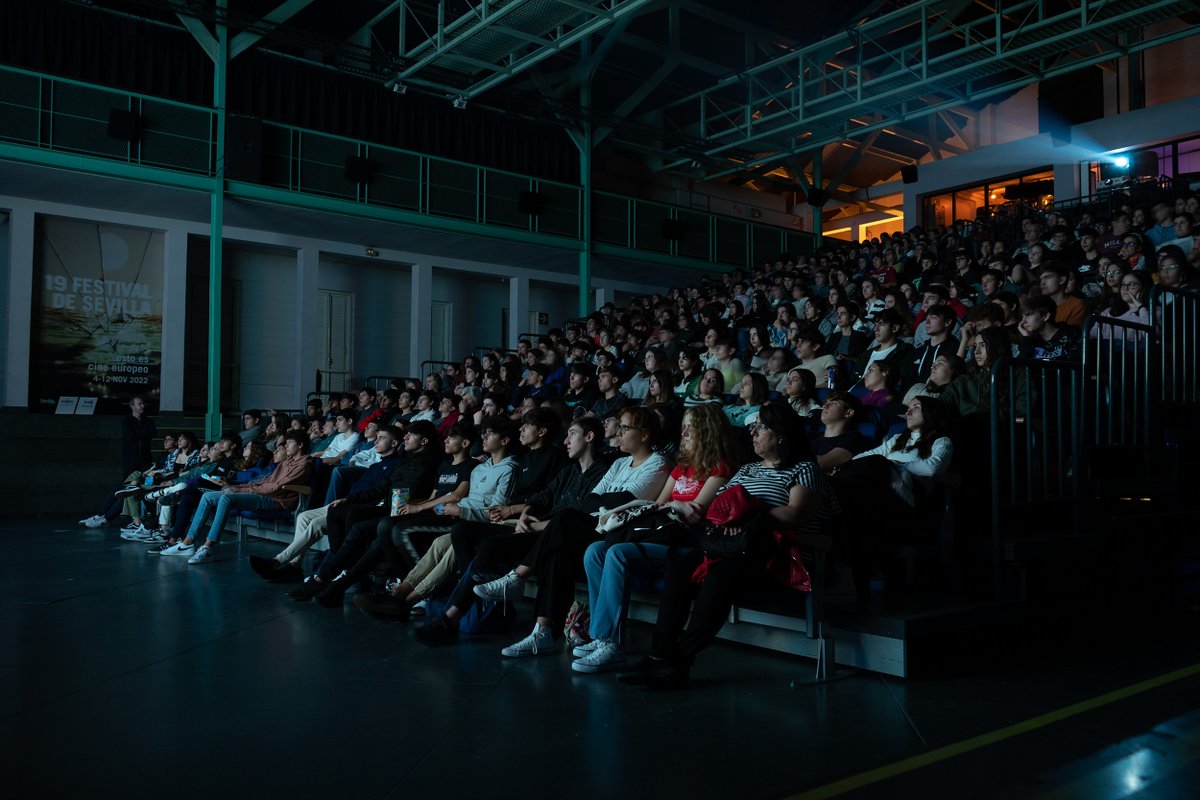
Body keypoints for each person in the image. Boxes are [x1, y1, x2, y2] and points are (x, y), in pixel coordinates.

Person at [621, 402, 839, 689]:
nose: (753, 431)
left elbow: (793, 513)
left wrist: (748, 515)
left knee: (721, 574)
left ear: (782, 434)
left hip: (781, 556)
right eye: (753, 426)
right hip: (736, 546)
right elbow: (718, 508)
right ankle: (657, 654)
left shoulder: (805, 469)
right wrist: (736, 516)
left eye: (761, 426)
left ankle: (679, 661)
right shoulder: (748, 469)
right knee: (679, 564)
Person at [468, 407, 671, 656]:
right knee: (558, 553)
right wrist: (605, 503)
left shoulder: (658, 464)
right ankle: (542, 632)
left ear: (645, 434)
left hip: (619, 535)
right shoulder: (619, 463)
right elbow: (590, 501)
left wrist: (603, 503)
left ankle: (517, 577)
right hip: (596, 528)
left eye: (625, 428)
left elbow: (626, 501)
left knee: (564, 519)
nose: (618, 432)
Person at [572, 405, 739, 673]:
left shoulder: (720, 468)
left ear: (707, 432)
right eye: (683, 425)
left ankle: (610, 643)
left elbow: (695, 513)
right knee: (595, 551)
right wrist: (675, 507)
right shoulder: (681, 469)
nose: (683, 432)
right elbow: (655, 507)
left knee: (617, 553)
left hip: (688, 545)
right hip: (663, 535)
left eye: (691, 427)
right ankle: (600, 636)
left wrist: (675, 507)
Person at [160, 430, 313, 564]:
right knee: (208, 496)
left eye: (290, 443)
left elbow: (275, 487)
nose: (285, 446)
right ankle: (188, 543)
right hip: (263, 494)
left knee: (227, 498)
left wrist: (240, 491)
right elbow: (264, 481)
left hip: (277, 500)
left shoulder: (303, 465)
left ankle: (208, 547)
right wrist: (237, 487)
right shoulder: (285, 463)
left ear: (300, 445)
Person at [809, 392, 867, 470]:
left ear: (848, 413)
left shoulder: (853, 439)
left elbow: (819, 464)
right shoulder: (813, 436)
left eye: (833, 403)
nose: (825, 406)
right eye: (826, 403)